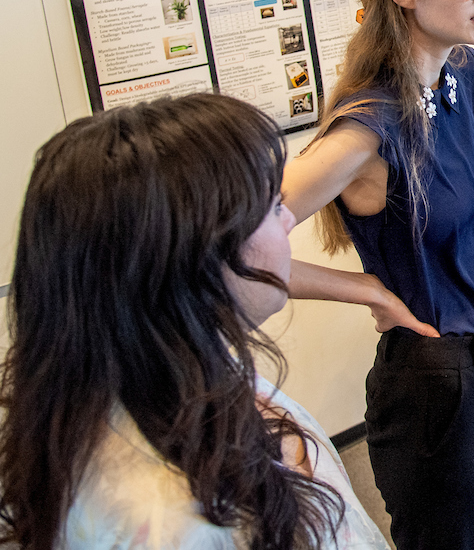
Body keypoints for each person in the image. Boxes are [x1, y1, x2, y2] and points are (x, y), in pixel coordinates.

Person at [0, 93, 389, 550]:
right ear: (189, 257)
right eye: (269, 206)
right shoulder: (170, 524)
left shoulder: (173, 385)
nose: (287, 220)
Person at [279, 0, 474, 550]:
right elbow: (225, 248)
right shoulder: (364, 130)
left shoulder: (458, 73)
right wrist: (366, 288)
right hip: (431, 380)